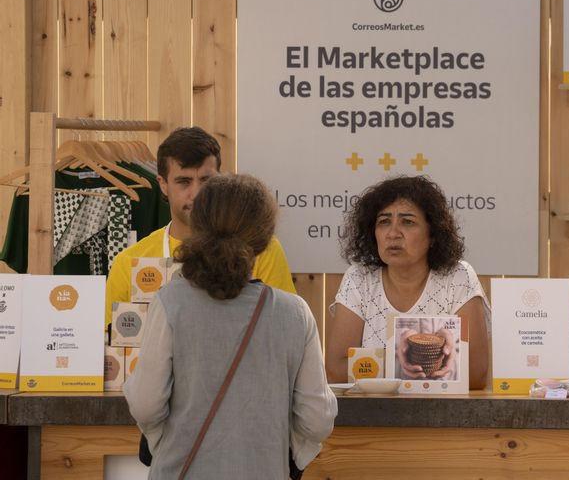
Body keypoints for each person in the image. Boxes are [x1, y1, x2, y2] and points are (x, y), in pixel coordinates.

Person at [124, 174, 337, 479]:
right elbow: (317, 421)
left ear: (198, 227)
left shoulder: (170, 302)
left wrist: (164, 443)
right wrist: (289, 454)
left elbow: (146, 405)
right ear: (264, 238)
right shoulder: (295, 313)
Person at [105, 127, 295, 325]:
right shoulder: (129, 262)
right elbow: (110, 340)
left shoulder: (259, 250)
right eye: (184, 181)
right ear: (163, 184)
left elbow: (284, 325)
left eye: (206, 180)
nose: (196, 193)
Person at [326, 175, 490, 389]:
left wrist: (383, 364)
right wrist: (403, 360)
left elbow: (475, 374)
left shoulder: (458, 277)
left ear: (433, 234)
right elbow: (336, 370)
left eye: (408, 222)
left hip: (442, 409)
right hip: (373, 409)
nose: (393, 233)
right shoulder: (359, 278)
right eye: (384, 222)